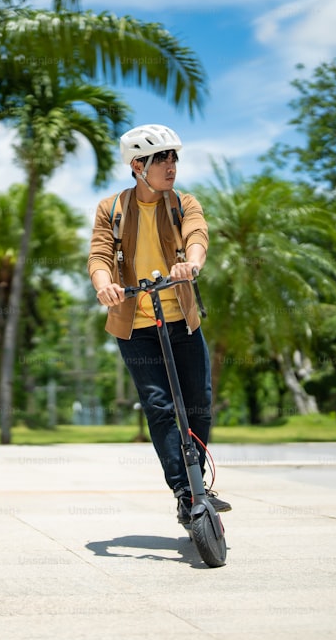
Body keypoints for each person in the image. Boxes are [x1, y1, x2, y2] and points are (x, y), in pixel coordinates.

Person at [88, 124, 231, 524]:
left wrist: (192, 264)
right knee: (159, 406)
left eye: (174, 157)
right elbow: (99, 255)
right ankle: (186, 493)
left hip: (182, 319)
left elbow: (197, 234)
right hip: (136, 325)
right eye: (161, 158)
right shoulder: (112, 208)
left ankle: (197, 483)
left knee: (199, 403)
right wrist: (104, 287)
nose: (171, 165)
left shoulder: (182, 203)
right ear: (137, 165)